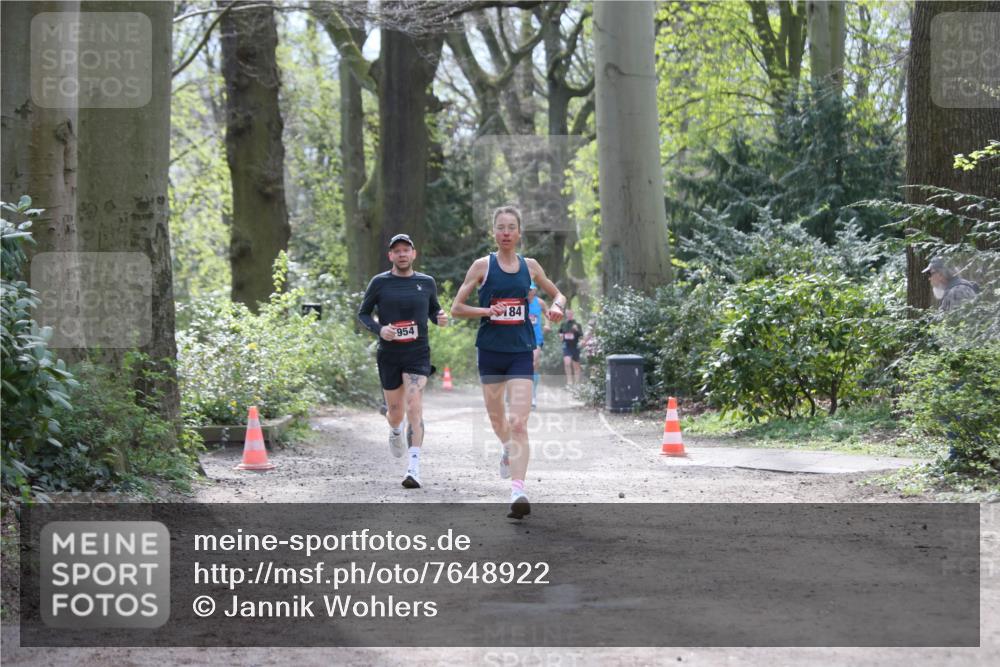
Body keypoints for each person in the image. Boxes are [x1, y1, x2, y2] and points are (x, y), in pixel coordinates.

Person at [451, 205, 567, 519]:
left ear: (519, 233)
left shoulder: (530, 267)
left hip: (520, 352)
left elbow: (558, 295)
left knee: (518, 423)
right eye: (500, 227)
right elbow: (457, 308)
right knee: (497, 420)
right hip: (490, 352)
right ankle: (505, 447)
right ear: (494, 233)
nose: (506, 233)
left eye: (511, 227)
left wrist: (556, 308)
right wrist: (486, 311)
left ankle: (518, 490)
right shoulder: (482, 266)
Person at [358, 233, 447, 489]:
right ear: (391, 256)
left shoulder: (426, 282)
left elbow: (433, 310)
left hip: (417, 354)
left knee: (414, 406)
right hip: (389, 355)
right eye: (397, 251)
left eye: (406, 250)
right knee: (396, 412)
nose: (402, 254)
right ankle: (395, 429)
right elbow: (363, 314)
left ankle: (413, 469)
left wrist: (439, 317)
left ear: (413, 254)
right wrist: (380, 329)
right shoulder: (379, 283)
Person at [526, 283, 549, 408]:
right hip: (521, 338)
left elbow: (547, 313)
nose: (529, 291)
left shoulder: (540, 302)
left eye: (531, 289)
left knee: (533, 363)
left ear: (535, 290)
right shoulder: (520, 302)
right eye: (527, 289)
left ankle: (532, 395)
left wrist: (547, 324)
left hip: (536, 338)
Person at [559, 309, 584, 386]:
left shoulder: (577, 324)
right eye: (567, 313)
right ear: (566, 314)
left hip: (575, 346)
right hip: (567, 346)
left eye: (570, 313)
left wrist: (576, 330)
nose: (569, 315)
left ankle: (577, 383)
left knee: (576, 365)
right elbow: (560, 333)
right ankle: (569, 382)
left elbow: (581, 336)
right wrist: (561, 336)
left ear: (572, 313)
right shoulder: (563, 324)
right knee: (567, 363)